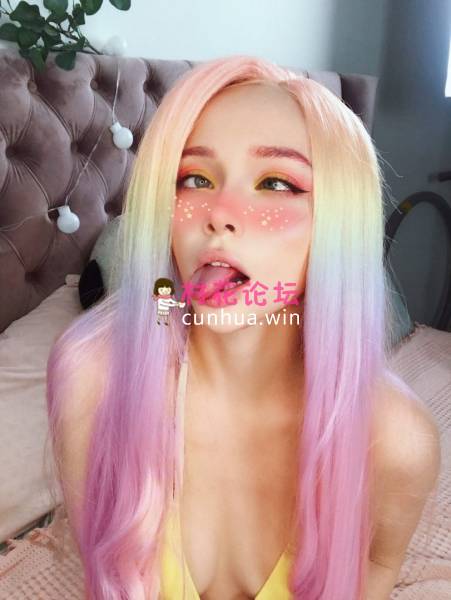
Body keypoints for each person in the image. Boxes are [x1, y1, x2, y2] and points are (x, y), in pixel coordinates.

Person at [46, 55, 441, 599]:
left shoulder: (396, 440)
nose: (219, 213)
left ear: (338, 223)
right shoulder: (91, 381)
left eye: (276, 182)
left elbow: (376, 565)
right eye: (195, 179)